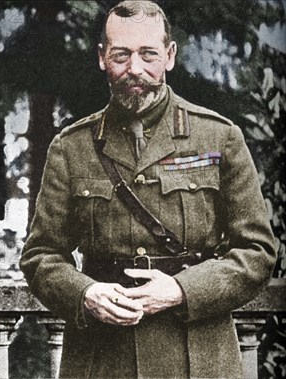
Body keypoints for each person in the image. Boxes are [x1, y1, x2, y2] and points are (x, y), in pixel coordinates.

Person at [20, 1, 276, 378]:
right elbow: (40, 256)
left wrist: (181, 289)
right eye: (121, 55)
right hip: (102, 357)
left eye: (148, 54)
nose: (134, 69)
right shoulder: (71, 147)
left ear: (169, 56)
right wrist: (86, 294)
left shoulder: (219, 137)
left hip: (198, 356)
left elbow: (257, 251)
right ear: (102, 58)